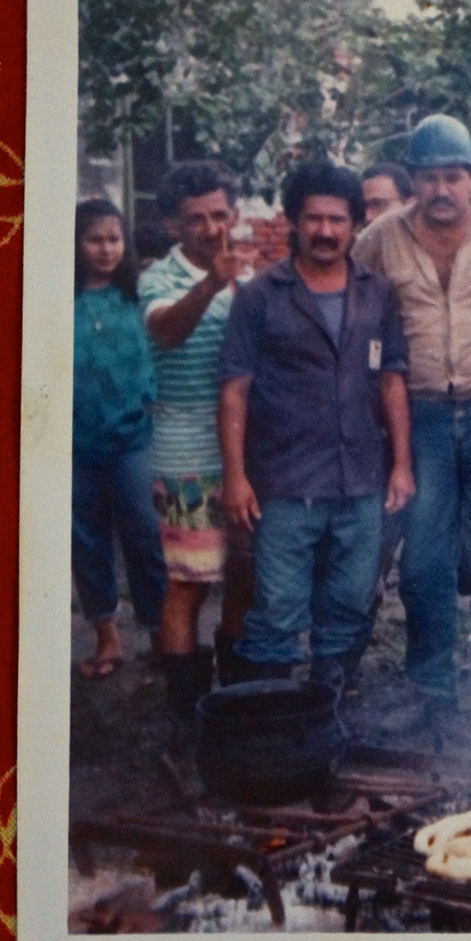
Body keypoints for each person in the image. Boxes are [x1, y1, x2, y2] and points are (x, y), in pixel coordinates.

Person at [351, 114, 471, 730]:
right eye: (428, 179)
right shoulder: (380, 239)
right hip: (419, 417)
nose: (441, 191)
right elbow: (349, 305)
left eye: (453, 178)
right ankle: (429, 688)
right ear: (413, 182)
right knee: (424, 561)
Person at [218, 161, 413, 688]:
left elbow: (393, 379)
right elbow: (234, 388)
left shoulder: (377, 293)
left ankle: (329, 709)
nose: (325, 231)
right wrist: (235, 476)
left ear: (354, 225)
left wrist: (401, 464)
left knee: (350, 605)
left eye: (338, 220)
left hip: (361, 479)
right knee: (278, 610)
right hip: (285, 483)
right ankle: (272, 721)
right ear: (293, 222)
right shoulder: (261, 296)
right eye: (314, 219)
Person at [139, 160, 256, 718]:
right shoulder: (158, 279)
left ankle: (229, 704)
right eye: (196, 220)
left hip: (244, 453)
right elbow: (165, 330)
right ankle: (185, 715)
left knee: (244, 574)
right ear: (171, 226)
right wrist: (212, 282)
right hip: (185, 453)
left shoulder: (249, 279)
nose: (212, 228)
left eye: (219, 214)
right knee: (189, 583)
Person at [71, 199, 167, 680]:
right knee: (86, 539)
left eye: (114, 238)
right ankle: (106, 637)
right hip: (75, 444)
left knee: (145, 535)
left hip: (132, 440)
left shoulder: (140, 293)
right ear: (75, 244)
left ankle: (158, 634)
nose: (106, 249)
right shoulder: (58, 298)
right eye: (94, 239)